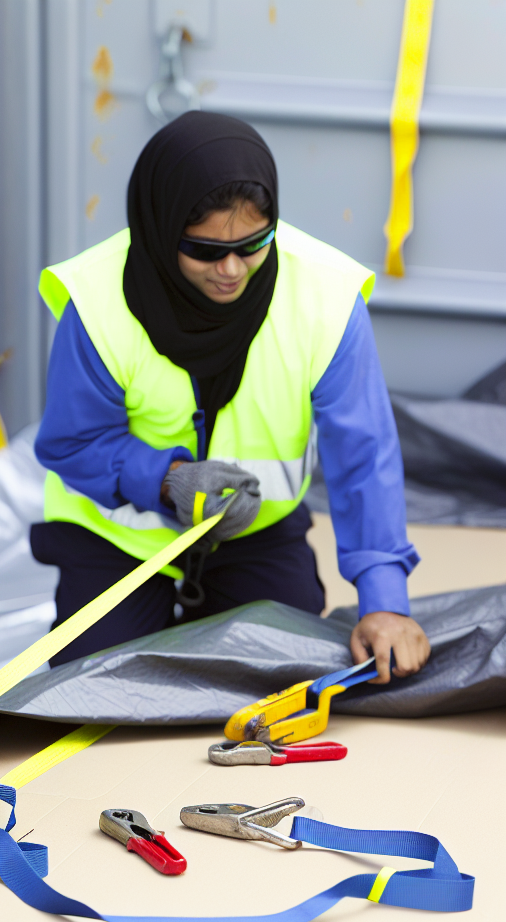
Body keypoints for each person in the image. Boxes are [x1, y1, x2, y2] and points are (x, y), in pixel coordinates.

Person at [31, 111, 430, 681]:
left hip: (256, 538)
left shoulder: (325, 297)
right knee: (96, 687)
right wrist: (166, 481)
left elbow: (364, 453)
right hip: (121, 541)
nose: (231, 269)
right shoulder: (98, 303)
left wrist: (385, 602)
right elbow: (72, 443)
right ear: (160, 228)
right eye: (204, 249)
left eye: (253, 244)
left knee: (283, 676)